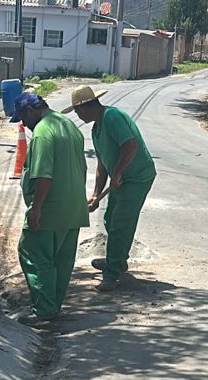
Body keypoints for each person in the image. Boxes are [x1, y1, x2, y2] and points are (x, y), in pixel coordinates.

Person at [64, 85, 156, 291]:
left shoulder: (112, 117)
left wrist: (118, 173)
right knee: (109, 218)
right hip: (121, 178)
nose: (77, 115)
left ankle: (112, 273)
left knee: (121, 222)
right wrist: (96, 194)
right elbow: (102, 164)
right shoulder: (96, 129)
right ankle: (118, 259)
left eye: (77, 110)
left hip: (137, 177)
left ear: (86, 106)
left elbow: (130, 145)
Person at [13, 92, 89, 325]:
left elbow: (43, 175)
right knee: (62, 262)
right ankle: (53, 306)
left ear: (31, 111)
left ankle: (44, 310)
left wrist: (36, 209)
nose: (23, 124)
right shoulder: (69, 126)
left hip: (51, 209)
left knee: (34, 254)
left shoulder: (43, 133)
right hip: (74, 208)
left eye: (23, 118)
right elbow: (83, 168)